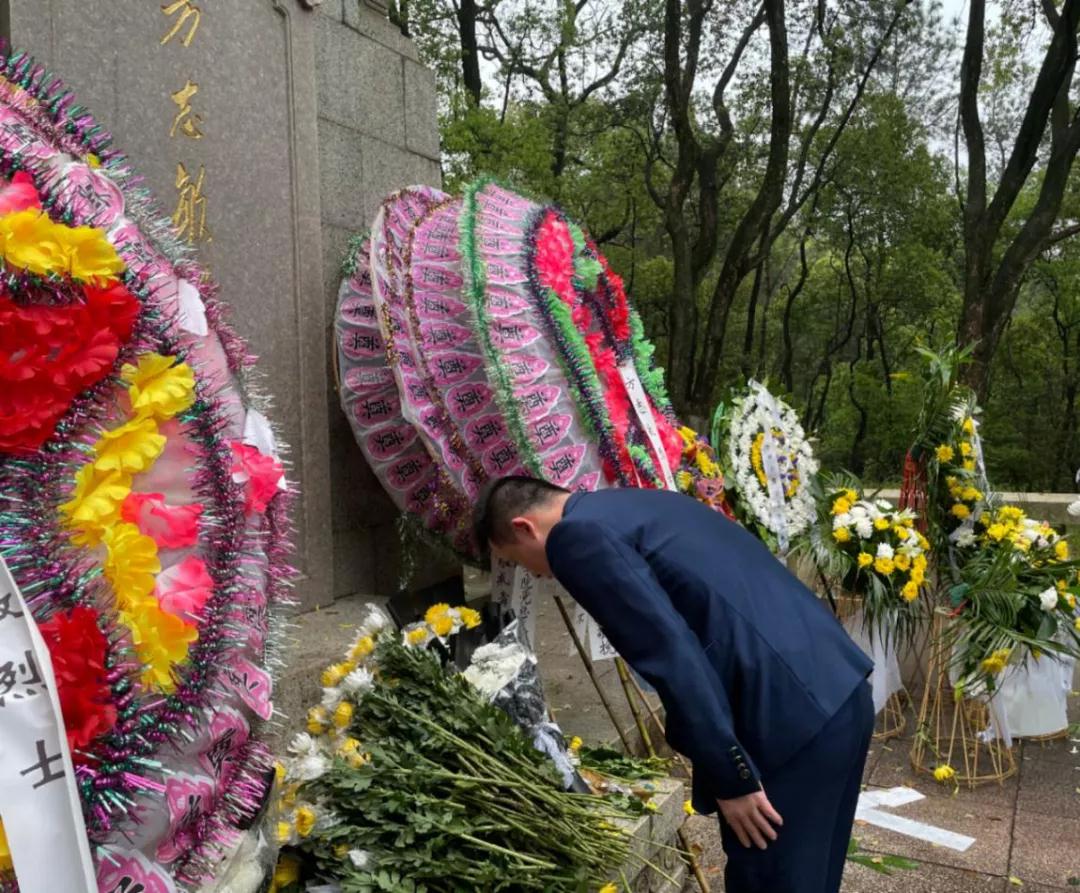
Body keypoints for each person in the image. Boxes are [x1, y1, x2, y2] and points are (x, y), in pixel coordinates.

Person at [472, 476, 874, 893]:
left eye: (519, 561)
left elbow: (671, 655)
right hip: (837, 690)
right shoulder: (639, 504)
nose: (534, 575)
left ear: (524, 527)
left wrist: (732, 778)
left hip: (786, 723)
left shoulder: (576, 539)